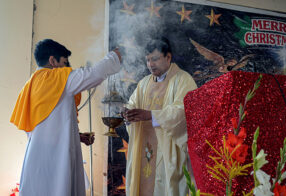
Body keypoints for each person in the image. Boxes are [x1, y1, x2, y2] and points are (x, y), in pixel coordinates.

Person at [10, 39, 122, 196]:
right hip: (56, 161)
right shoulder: (55, 79)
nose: (67, 68)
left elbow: (48, 126)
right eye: (64, 62)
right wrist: (115, 56)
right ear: (52, 60)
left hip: (37, 159)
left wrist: (77, 136)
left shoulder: (30, 85)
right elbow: (93, 74)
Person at [123, 37, 197, 196]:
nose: (150, 64)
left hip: (168, 150)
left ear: (168, 57)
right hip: (144, 148)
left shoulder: (183, 80)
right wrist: (127, 113)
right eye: (148, 60)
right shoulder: (143, 83)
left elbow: (184, 112)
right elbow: (133, 103)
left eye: (155, 59)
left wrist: (151, 115)